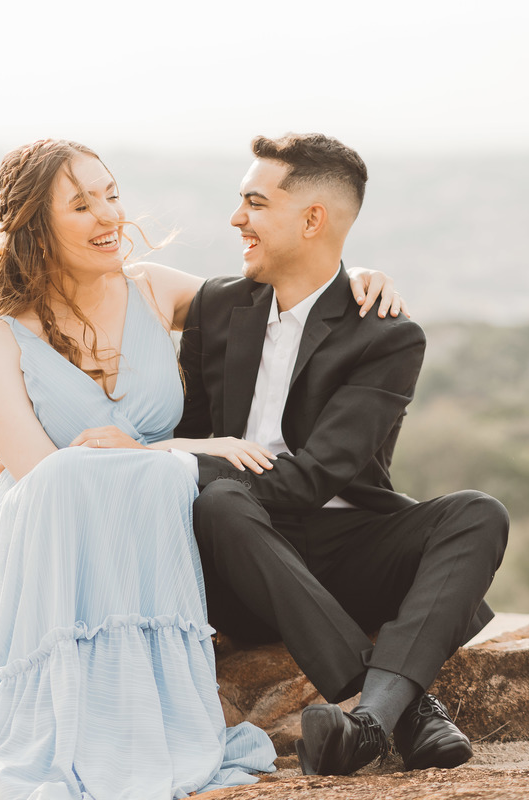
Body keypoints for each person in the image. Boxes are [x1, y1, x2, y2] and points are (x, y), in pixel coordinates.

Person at [0, 139, 402, 800]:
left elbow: (282, 295)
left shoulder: (152, 291)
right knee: (71, 481)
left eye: (112, 195)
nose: (108, 216)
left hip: (152, 541)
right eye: (82, 204)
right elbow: (45, 482)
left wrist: (353, 280)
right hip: (52, 547)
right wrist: (187, 454)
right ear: (37, 227)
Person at [173, 133, 511, 776]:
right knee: (220, 502)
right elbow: (189, 435)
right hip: (238, 559)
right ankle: (401, 713)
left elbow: (321, 474)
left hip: (345, 545)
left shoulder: (385, 335)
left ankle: (366, 726)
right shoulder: (218, 307)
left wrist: (223, 475)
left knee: (477, 512)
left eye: (253, 202)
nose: (236, 218)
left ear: (312, 219)